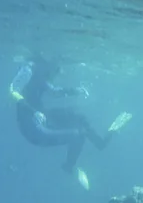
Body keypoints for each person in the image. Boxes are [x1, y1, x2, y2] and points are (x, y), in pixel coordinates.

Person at [9, 55, 130, 190]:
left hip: (41, 117)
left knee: (78, 117)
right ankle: (69, 167)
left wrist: (75, 91)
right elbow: (13, 90)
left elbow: (54, 92)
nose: (58, 72)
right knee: (78, 135)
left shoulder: (42, 72)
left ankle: (101, 142)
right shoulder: (29, 69)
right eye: (57, 67)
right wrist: (32, 111)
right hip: (32, 129)